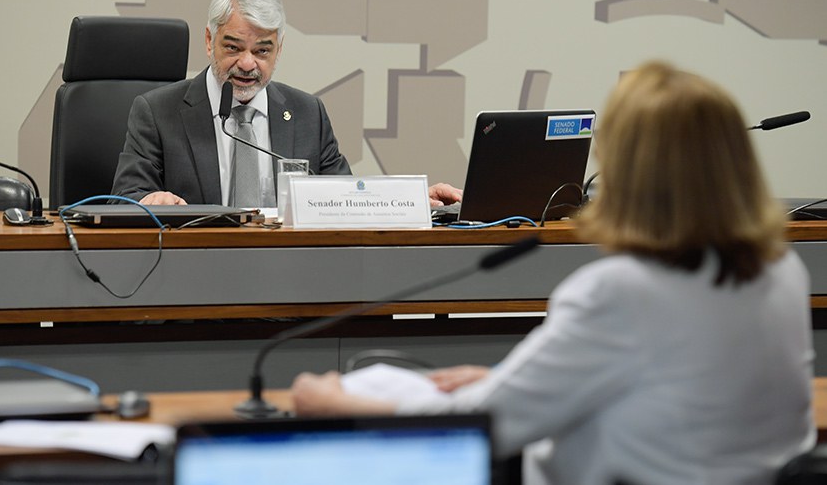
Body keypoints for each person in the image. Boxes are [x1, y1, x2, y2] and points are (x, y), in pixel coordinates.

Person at [291, 61, 814, 485]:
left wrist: (341, 407)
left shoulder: (621, 291)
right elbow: (671, 389)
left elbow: (482, 429)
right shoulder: (781, 270)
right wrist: (508, 382)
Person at [111, 0, 462, 207]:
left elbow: (346, 202)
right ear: (209, 41)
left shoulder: (308, 113)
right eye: (233, 48)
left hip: (288, 288)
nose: (247, 64)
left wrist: (413, 202)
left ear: (279, 49)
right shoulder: (158, 112)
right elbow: (121, 202)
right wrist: (148, 202)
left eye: (262, 51)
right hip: (193, 290)